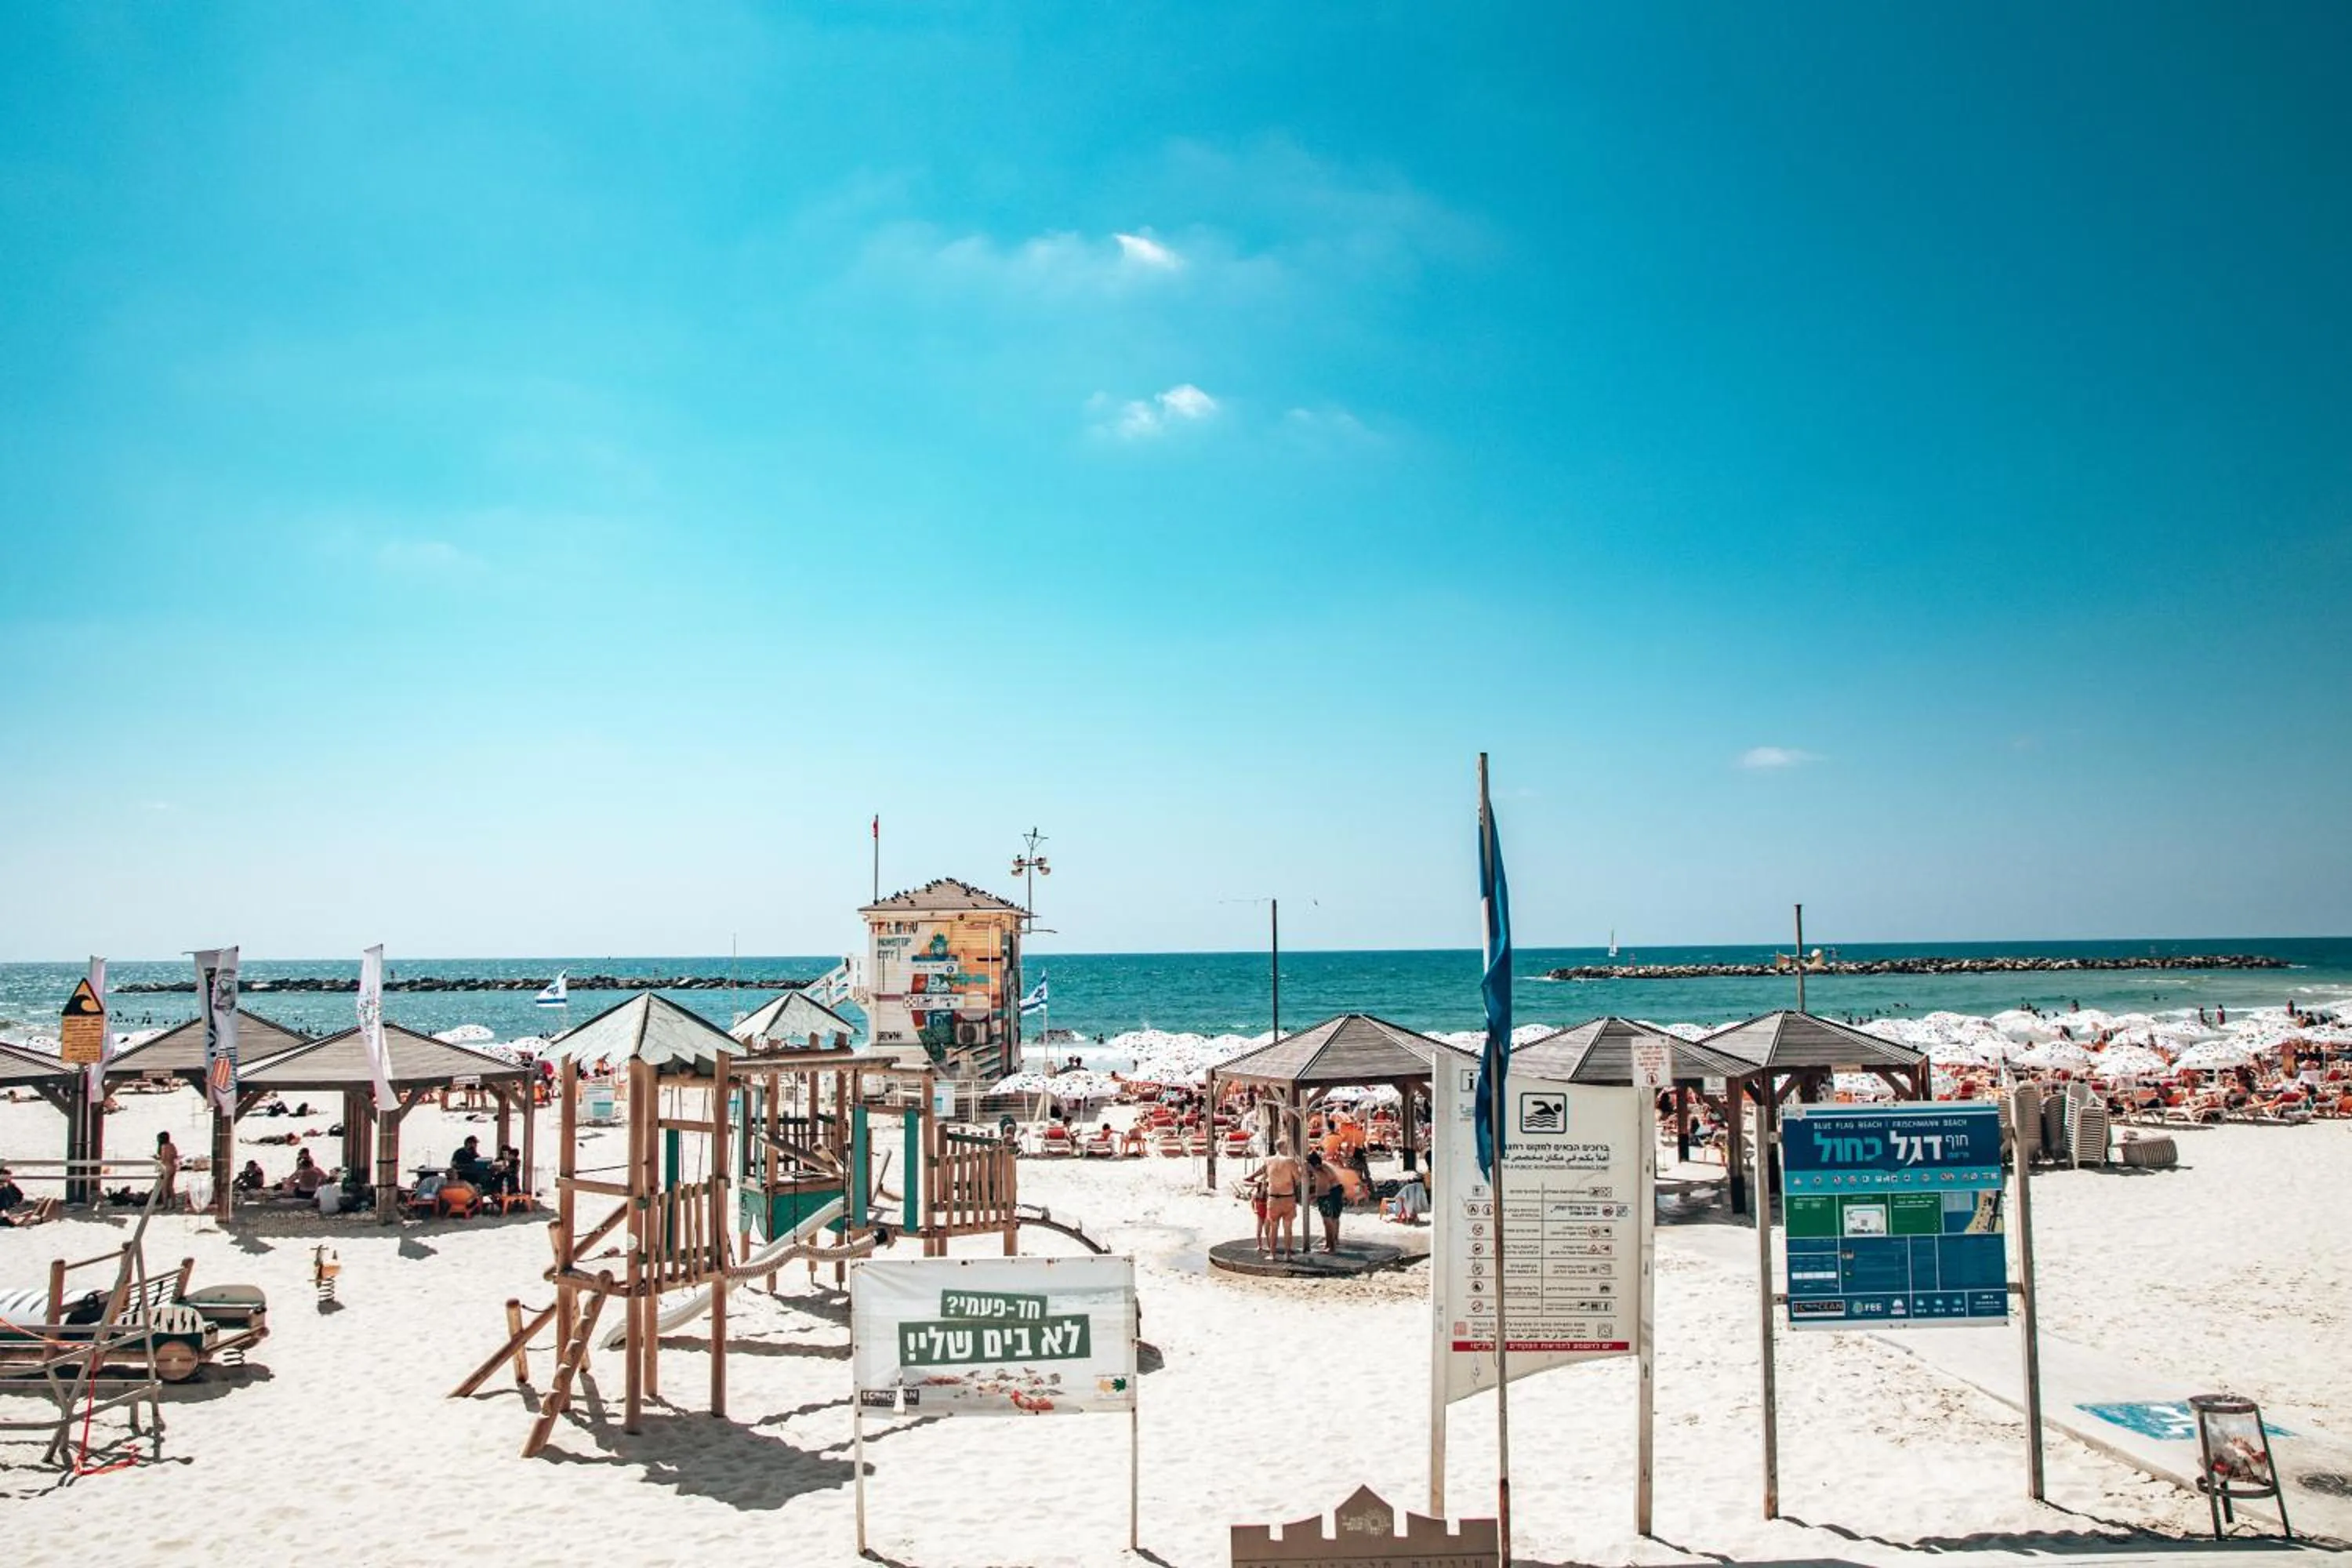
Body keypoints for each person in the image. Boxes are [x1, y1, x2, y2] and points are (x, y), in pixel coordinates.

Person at [1257, 1147, 1303, 1260]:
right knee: (1288, 1228)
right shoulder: (1290, 1161)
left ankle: (1272, 1254)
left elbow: (1264, 1176)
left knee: (1274, 1227)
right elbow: (1298, 1179)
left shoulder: (1268, 1160)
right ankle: (1287, 1254)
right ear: (1284, 1148)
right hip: (1288, 1197)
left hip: (1273, 1198)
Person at [1307, 1151, 1345, 1254]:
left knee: (1328, 1221)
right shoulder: (1324, 1167)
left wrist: (1316, 1196)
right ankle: (1332, 1242)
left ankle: (1331, 1247)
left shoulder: (1321, 1170)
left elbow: (1327, 1186)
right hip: (1335, 1192)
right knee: (1334, 1219)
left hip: (1329, 1194)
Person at [154, 1131, 180, 1206]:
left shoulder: (164, 1147)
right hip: (173, 1167)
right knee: (171, 1187)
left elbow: (164, 1158)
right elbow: (175, 1155)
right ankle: (173, 1204)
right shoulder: (172, 1146)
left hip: (166, 1167)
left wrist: (158, 1159)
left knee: (164, 1187)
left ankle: (165, 1204)